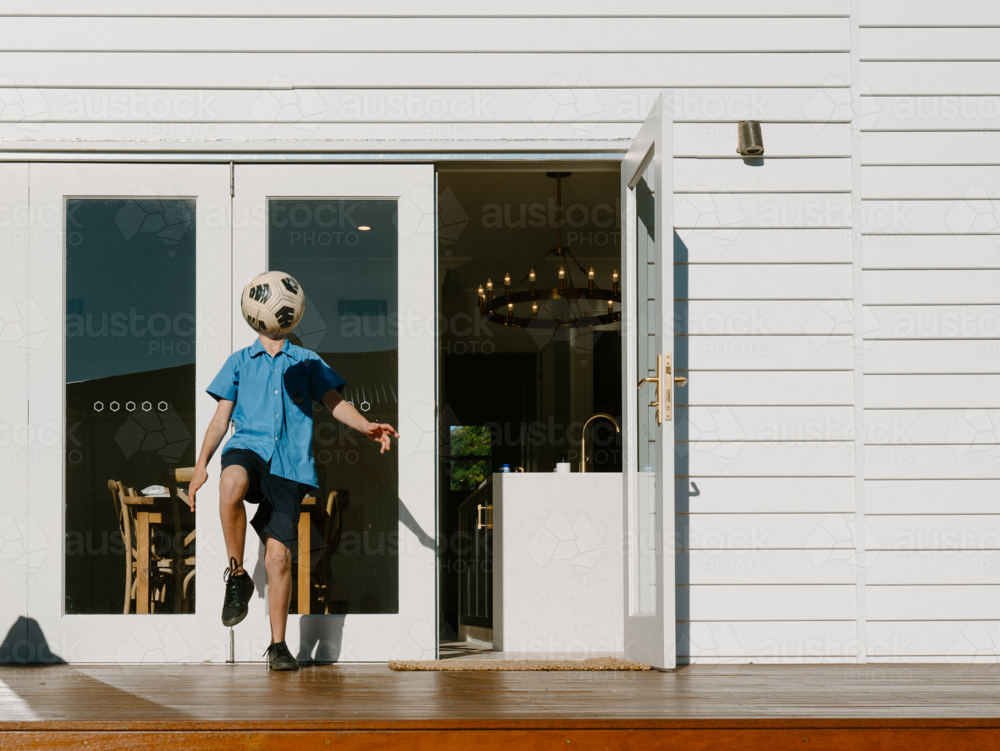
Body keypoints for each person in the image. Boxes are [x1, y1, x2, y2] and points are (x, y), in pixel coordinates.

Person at [187, 330, 399, 671]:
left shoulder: (307, 361)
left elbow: (336, 403)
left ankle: (278, 645)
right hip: (248, 450)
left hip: (289, 466)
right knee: (230, 485)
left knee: (279, 559)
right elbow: (219, 421)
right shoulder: (240, 361)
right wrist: (201, 465)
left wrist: (365, 426)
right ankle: (237, 574)